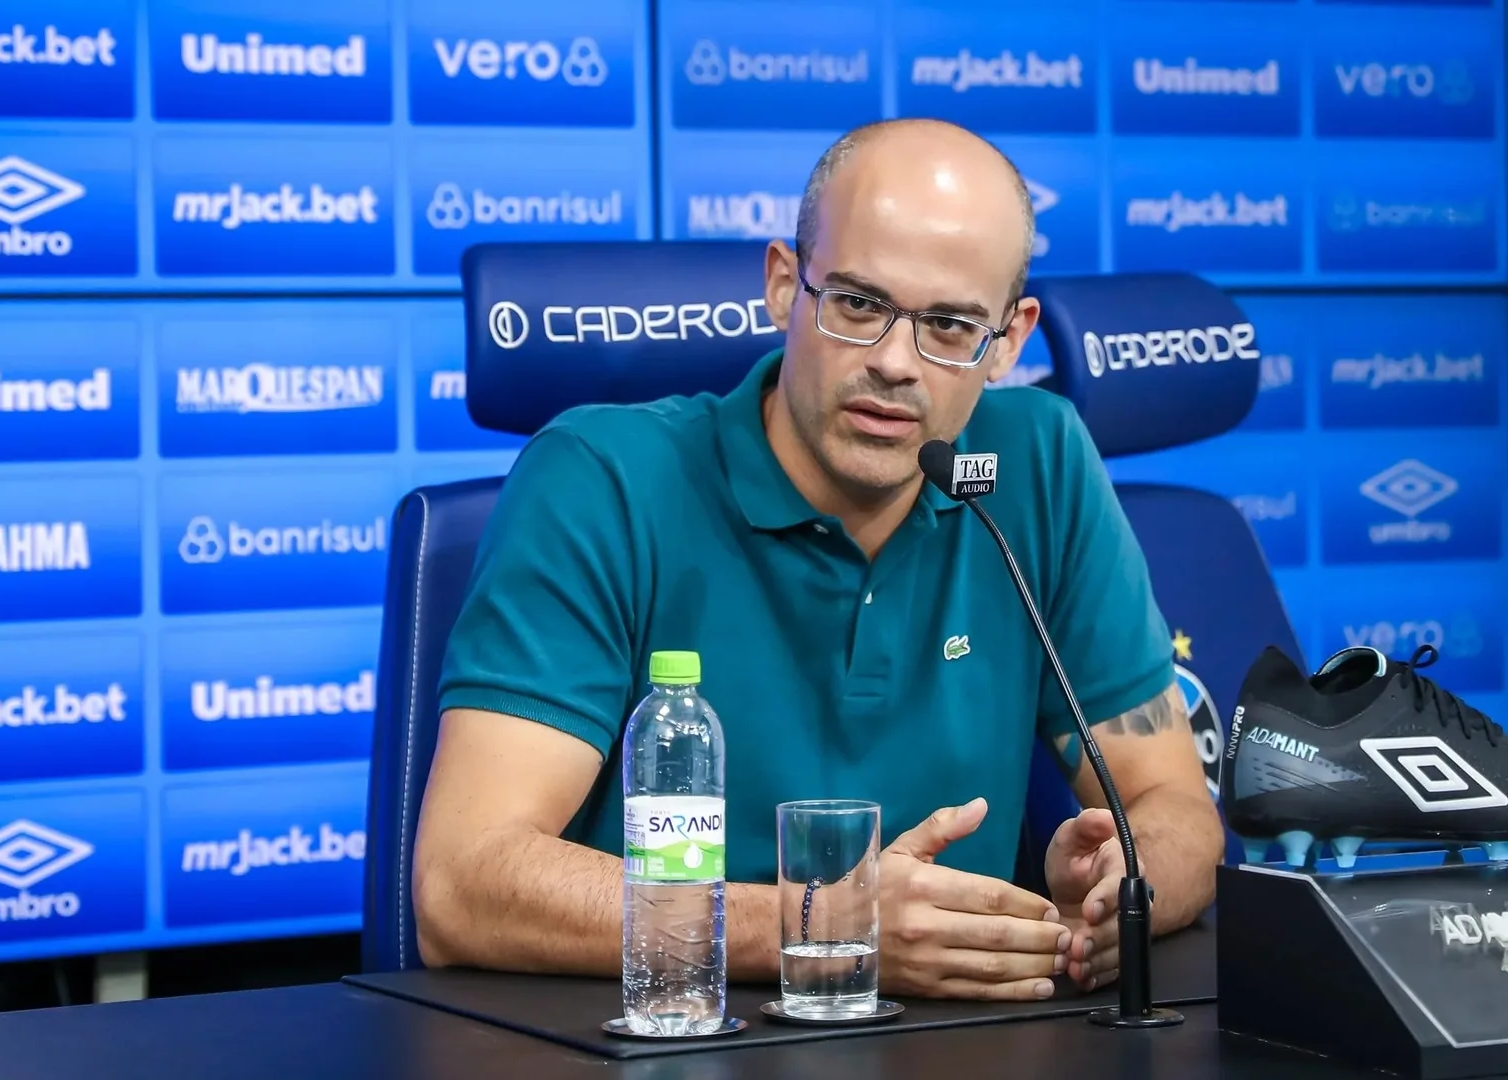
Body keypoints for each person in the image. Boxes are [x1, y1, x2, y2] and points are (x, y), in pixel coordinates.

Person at [411, 118, 1223, 1002]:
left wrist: (1118, 899)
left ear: (1010, 339)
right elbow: (461, 886)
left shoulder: (1038, 465)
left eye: (949, 325)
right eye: (858, 304)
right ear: (780, 284)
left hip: (956, 1052)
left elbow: (1178, 814)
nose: (893, 364)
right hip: (670, 1035)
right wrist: (826, 923)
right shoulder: (600, 479)